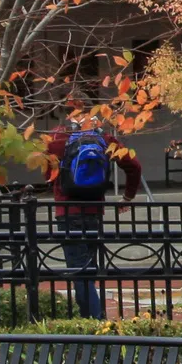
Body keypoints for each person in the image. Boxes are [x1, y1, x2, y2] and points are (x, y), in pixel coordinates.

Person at [47, 108, 144, 321]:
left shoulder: (57, 137)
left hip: (67, 212)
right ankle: (92, 321)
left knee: (80, 272)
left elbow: (48, 174)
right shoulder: (103, 138)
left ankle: (95, 323)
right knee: (87, 271)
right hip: (94, 212)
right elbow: (134, 166)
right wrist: (127, 197)